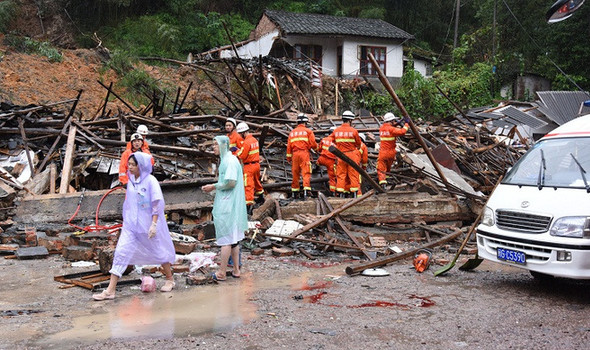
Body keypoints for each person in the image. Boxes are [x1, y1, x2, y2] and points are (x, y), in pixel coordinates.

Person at [93, 152, 176, 300]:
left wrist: (154, 224)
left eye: (133, 165)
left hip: (147, 225)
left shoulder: (151, 181)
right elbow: (130, 203)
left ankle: (170, 279)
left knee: (158, 251)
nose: (129, 167)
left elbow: (157, 203)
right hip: (131, 225)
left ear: (141, 166)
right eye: (129, 164)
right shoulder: (131, 181)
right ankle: (110, 290)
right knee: (121, 252)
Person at [201, 136, 248, 281]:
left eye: (216, 144)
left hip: (228, 204)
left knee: (226, 239)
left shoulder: (229, 160)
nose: (213, 147)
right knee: (234, 239)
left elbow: (231, 182)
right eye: (213, 144)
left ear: (224, 145)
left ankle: (222, 272)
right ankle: (236, 269)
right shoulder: (227, 160)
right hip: (230, 203)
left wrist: (213, 186)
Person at [329, 110, 362, 198]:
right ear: (350, 120)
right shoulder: (354, 131)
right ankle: (354, 194)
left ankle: (340, 194)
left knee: (341, 175)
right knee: (353, 174)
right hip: (352, 155)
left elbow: (332, 141)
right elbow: (358, 144)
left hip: (341, 155)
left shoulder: (336, 131)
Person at [286, 113, 318, 199]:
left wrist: (289, 158)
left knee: (295, 173)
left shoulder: (292, 133)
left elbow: (289, 147)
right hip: (304, 153)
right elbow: (313, 144)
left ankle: (295, 192)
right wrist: (316, 150)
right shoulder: (308, 131)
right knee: (306, 172)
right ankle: (306, 191)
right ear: (305, 122)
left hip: (295, 154)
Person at [236, 122, 264, 213]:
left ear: (244, 133)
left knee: (248, 185)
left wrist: (236, 152)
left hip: (249, 166)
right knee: (256, 181)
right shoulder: (254, 140)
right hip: (256, 165)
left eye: (240, 134)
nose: (240, 136)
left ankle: (248, 206)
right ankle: (261, 197)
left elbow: (242, 156)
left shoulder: (246, 142)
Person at [377, 112, 409, 188]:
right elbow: (403, 131)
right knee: (388, 168)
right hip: (391, 153)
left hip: (383, 152)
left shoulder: (381, 128)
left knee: (381, 169)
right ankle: (388, 180)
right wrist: (407, 124)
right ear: (391, 121)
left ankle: (383, 184)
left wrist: (398, 123)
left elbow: (389, 127)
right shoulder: (392, 129)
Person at [317, 126, 337, 196]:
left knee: (317, 162)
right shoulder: (336, 142)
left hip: (321, 159)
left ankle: (316, 166)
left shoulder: (324, 139)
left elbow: (319, 149)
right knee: (332, 178)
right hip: (330, 161)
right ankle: (333, 191)